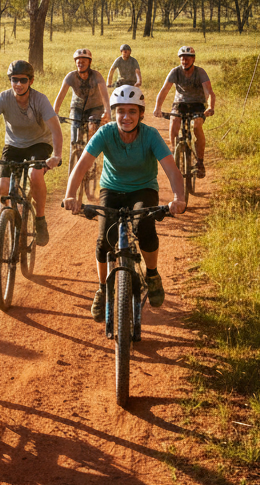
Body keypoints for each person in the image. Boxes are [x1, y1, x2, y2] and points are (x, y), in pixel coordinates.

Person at [63, 85, 186, 320]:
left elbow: (171, 169)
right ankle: (102, 289)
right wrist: (70, 195)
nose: (126, 117)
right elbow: (82, 166)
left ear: (141, 114)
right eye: (121, 111)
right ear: (114, 112)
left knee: (144, 226)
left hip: (143, 189)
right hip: (112, 189)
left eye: (132, 111)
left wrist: (179, 198)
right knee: (105, 239)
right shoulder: (105, 133)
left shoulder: (150, 135)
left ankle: (152, 275)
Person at [0, 59, 63, 247]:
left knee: (35, 174)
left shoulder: (40, 99)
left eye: (23, 80)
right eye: (14, 79)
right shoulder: (3, 98)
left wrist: (57, 155)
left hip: (40, 143)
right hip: (14, 145)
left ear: (31, 81)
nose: (18, 84)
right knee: (2, 187)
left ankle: (40, 219)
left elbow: (55, 129)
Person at [153, 46, 215, 178]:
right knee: (174, 121)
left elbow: (209, 92)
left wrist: (210, 107)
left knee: (197, 125)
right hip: (180, 103)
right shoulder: (175, 72)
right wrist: (157, 107)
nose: (184, 60)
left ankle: (200, 161)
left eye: (187, 58)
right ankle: (175, 151)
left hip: (197, 104)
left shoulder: (200, 72)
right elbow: (164, 90)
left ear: (193, 59)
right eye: (182, 58)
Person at [53, 48, 112, 153]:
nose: (81, 63)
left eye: (84, 61)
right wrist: (54, 114)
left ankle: (91, 156)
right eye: (78, 61)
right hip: (77, 107)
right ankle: (74, 157)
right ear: (75, 62)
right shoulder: (71, 76)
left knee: (92, 128)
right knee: (75, 136)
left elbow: (105, 95)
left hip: (95, 107)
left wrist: (107, 111)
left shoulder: (96, 76)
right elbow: (60, 96)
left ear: (89, 62)